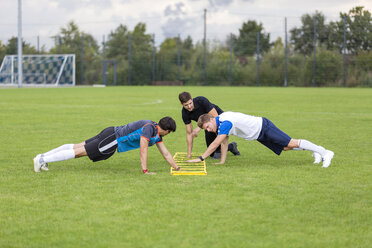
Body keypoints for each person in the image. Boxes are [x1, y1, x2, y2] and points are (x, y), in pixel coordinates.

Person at [33, 117, 181, 174]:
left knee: (79, 146)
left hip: (110, 133)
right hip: (112, 139)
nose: (168, 134)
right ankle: (41, 160)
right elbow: (143, 149)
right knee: (80, 152)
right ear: (166, 130)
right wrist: (145, 170)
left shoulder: (156, 133)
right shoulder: (149, 129)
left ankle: (43, 157)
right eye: (169, 132)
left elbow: (165, 153)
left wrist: (177, 167)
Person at [187, 112, 334, 168]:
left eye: (207, 127)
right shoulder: (220, 124)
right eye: (206, 129)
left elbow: (216, 143)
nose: (208, 130)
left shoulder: (225, 122)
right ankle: (316, 150)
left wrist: (201, 158)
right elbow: (224, 143)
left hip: (263, 127)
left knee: (290, 143)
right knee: (284, 148)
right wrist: (222, 162)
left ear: (212, 119)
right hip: (258, 135)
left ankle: (325, 152)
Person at [179, 91, 240, 159]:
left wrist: (198, 128)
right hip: (207, 126)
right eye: (186, 105)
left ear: (192, 99)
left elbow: (215, 117)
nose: (189, 106)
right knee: (212, 154)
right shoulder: (185, 114)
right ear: (181, 104)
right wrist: (189, 154)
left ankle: (223, 150)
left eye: (190, 103)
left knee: (216, 154)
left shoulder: (201, 101)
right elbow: (189, 133)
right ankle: (231, 146)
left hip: (218, 119)